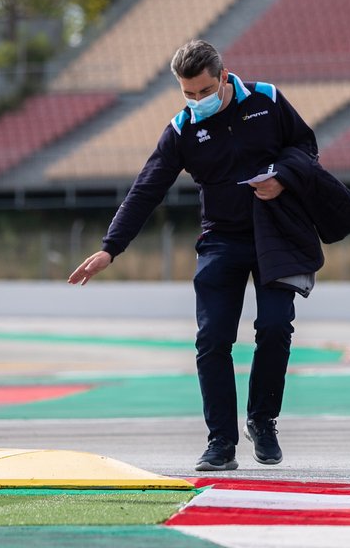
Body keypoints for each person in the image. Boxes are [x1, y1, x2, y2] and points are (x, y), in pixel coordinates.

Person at [68, 39, 321, 472]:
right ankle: (221, 442)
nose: (197, 100)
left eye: (204, 90)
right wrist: (111, 247)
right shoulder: (182, 128)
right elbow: (146, 189)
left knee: (276, 326)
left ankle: (262, 420)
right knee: (212, 339)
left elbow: (306, 148)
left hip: (276, 234)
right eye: (188, 93)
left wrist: (281, 176)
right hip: (221, 239)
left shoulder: (267, 99)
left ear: (223, 76)